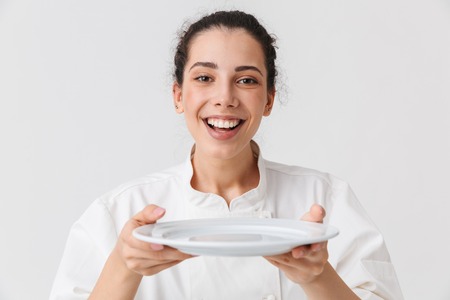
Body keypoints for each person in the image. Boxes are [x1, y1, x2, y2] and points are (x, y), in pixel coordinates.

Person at [50, 10, 403, 300]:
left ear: (268, 99)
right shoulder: (117, 213)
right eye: (204, 77)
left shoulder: (327, 199)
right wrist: (124, 267)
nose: (225, 98)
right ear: (178, 95)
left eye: (246, 80)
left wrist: (317, 277)